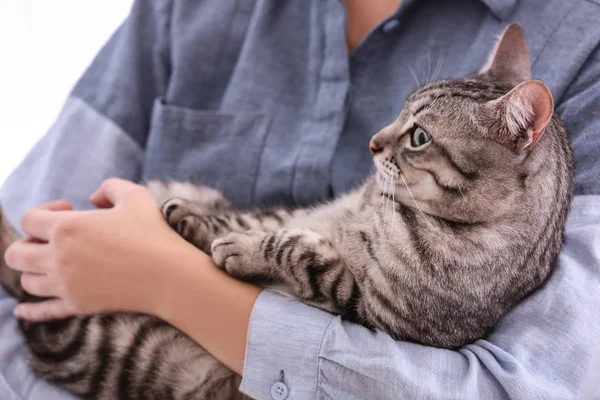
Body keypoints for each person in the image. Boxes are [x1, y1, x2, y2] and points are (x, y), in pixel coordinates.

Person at [1, 0, 599, 399]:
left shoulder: (583, 41)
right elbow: (23, 274)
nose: (378, 146)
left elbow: (522, 386)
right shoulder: (181, 10)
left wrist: (171, 282)